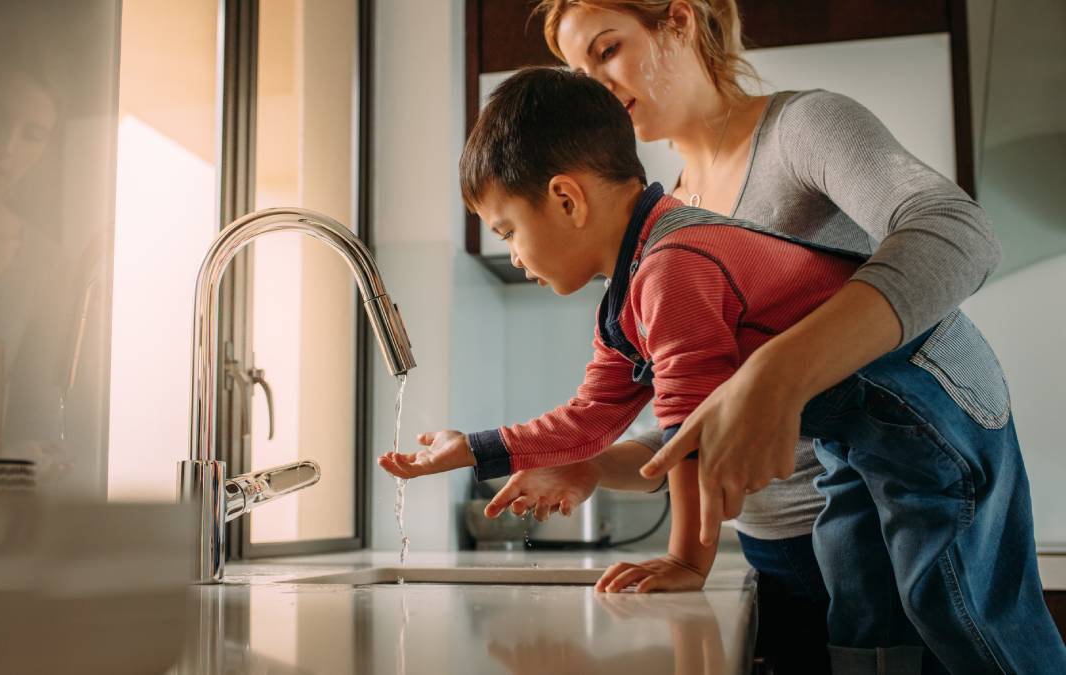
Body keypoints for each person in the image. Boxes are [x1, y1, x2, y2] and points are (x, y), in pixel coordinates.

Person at [378, 66, 1065, 675]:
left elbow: (689, 431)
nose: (516, 256)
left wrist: (687, 560)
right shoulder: (631, 290)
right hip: (854, 432)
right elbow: (591, 416)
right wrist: (473, 447)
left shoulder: (673, 267)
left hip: (925, 402)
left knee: (958, 606)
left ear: (566, 199)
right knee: (861, 604)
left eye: (506, 231)